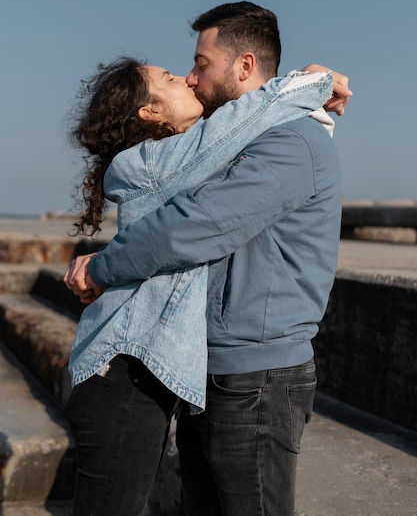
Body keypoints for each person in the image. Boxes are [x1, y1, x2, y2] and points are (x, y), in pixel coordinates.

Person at [63, 44, 342, 515]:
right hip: (123, 372)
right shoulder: (156, 162)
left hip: (150, 374)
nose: (189, 79)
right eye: (173, 76)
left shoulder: (175, 159)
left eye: (196, 66)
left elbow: (241, 136)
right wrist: (307, 83)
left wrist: (307, 93)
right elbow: (234, 129)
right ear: (150, 111)